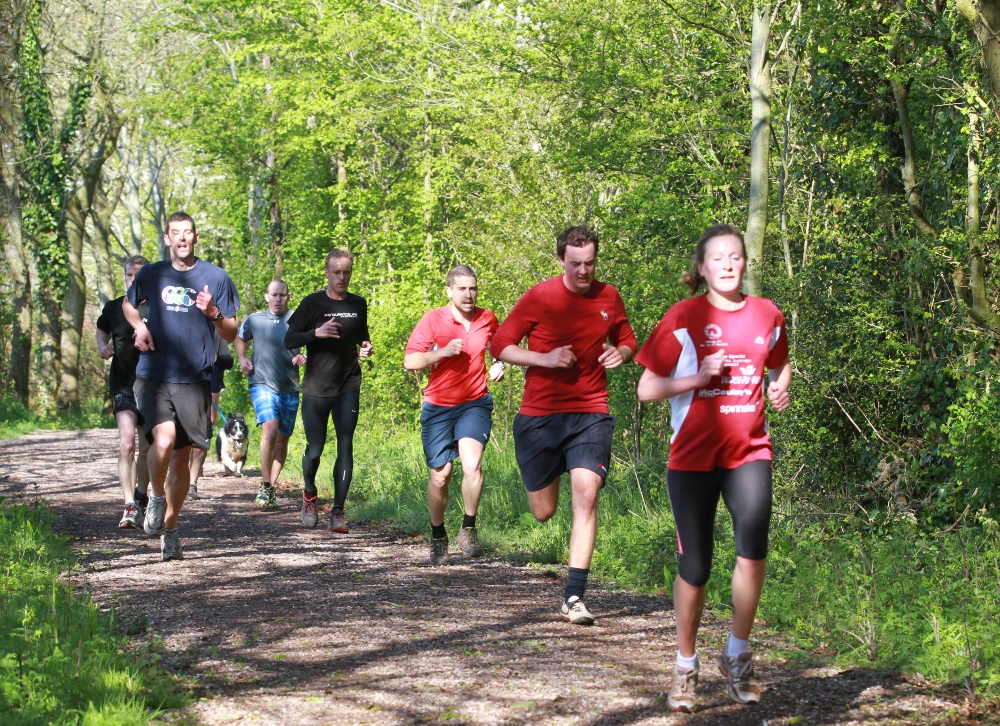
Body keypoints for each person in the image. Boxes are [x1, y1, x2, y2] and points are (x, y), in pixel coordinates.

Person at [635, 224, 791, 711]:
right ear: (701, 268)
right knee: (696, 568)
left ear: (745, 264)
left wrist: (781, 387)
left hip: (749, 453)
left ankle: (738, 654)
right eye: (718, 258)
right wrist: (697, 379)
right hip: (692, 459)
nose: (728, 264)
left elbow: (780, 362)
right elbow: (646, 387)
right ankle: (685, 664)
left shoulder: (767, 314)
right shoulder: (684, 316)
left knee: (753, 549)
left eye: (736, 257)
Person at [491, 225, 636, 626]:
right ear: (561, 261)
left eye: (590, 263)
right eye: (575, 264)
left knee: (587, 495)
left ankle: (574, 596)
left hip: (591, 410)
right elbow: (499, 344)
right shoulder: (540, 297)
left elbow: (628, 338)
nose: (583, 272)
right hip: (540, 416)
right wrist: (546, 358)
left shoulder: (608, 296)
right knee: (543, 511)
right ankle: (541, 479)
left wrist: (620, 353)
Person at [123, 211, 240, 561]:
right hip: (155, 372)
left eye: (188, 233)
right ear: (167, 239)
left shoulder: (216, 277)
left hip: (195, 378)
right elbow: (129, 305)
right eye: (176, 233)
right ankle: (156, 497)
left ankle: (170, 528)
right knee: (163, 440)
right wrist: (140, 329)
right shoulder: (152, 273)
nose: (182, 239)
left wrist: (215, 313)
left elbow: (232, 332)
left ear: (195, 237)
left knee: (181, 462)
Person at [404, 265, 504, 564]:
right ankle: (437, 534)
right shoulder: (434, 319)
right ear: (449, 290)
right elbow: (410, 361)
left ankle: (469, 529)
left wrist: (499, 362)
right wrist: (441, 353)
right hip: (438, 407)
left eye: (472, 288)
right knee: (441, 476)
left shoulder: (488, 318)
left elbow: (499, 346)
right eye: (462, 288)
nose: (468, 294)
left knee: (473, 465)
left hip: (475, 403)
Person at [284, 250, 372, 533]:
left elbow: (361, 334)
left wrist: (366, 345)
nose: (342, 277)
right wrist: (315, 334)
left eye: (346, 272)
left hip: (348, 384)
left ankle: (338, 511)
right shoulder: (313, 303)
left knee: (346, 445)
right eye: (336, 272)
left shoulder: (358, 303)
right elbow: (289, 339)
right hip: (316, 388)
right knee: (315, 448)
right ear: (327, 272)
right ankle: (309, 494)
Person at [236, 279, 306, 508]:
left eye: (282, 295)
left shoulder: (298, 318)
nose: (278, 299)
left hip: (289, 385)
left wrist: (305, 356)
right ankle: (265, 485)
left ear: (288, 296)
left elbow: (313, 343)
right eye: (274, 295)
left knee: (283, 438)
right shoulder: (255, 319)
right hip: (261, 383)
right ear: (267, 297)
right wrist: (243, 358)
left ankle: (271, 486)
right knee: (270, 429)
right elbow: (240, 338)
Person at [96, 255, 151, 529]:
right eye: (130, 274)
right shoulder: (113, 307)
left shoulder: (160, 308)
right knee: (127, 443)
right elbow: (101, 329)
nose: (134, 279)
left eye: (139, 275)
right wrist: (101, 347)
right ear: (124, 277)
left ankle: (142, 496)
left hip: (153, 385)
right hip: (123, 384)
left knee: (148, 446)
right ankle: (129, 505)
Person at [188, 330, 234, 499]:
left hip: (210, 379)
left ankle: (192, 483)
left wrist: (217, 357)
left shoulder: (215, 329)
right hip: (181, 382)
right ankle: (185, 473)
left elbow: (228, 360)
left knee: (209, 421)